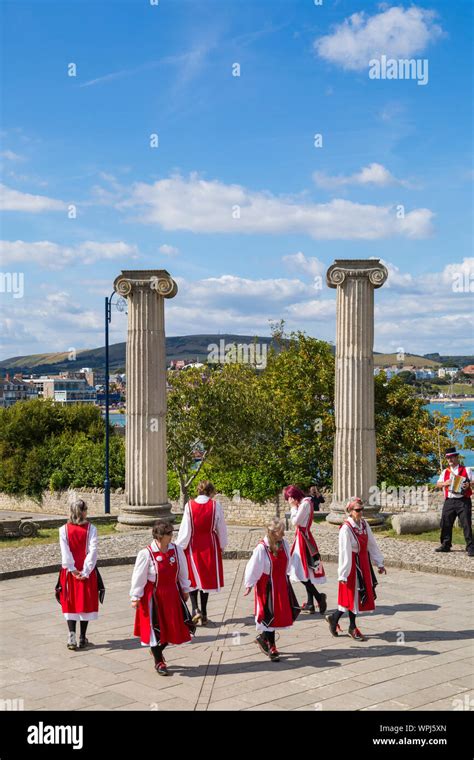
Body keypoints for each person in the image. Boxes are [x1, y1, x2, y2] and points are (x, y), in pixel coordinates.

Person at [130, 520, 194, 676]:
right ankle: (159, 661)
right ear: (159, 536)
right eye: (169, 534)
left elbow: (183, 571)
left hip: (172, 594)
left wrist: (185, 589)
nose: (172, 536)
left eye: (172, 533)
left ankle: (157, 651)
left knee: (174, 627)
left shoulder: (176, 550)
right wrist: (135, 596)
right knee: (156, 630)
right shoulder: (146, 554)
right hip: (154, 597)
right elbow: (138, 577)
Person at [325, 497, 386, 641]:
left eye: (361, 509)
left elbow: (372, 544)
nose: (360, 512)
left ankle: (335, 618)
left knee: (357, 596)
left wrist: (379, 562)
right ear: (350, 511)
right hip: (352, 564)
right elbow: (344, 552)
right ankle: (351, 627)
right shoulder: (346, 528)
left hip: (363, 562)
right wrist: (343, 574)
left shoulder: (364, 524)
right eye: (358, 510)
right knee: (352, 596)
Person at [244, 518, 300, 662]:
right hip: (267, 585)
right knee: (269, 614)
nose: (283, 534)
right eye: (281, 531)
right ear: (273, 532)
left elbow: (288, 561)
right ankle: (272, 646)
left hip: (280, 583)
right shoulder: (262, 548)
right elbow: (253, 567)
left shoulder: (285, 544)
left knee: (279, 614)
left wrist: (288, 577)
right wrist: (249, 584)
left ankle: (263, 638)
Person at [176, 480, 228, 625]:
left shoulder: (189, 506)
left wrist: (180, 546)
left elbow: (185, 529)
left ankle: (195, 609)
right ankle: (204, 613)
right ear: (211, 492)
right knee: (205, 579)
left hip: (193, 544)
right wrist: (222, 545)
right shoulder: (215, 506)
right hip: (210, 543)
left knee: (192, 577)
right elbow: (221, 527)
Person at [57, 499, 103, 651]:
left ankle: (72, 636)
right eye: (86, 509)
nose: (87, 512)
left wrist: (72, 568)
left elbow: (65, 552)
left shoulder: (63, 529)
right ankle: (82, 637)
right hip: (85, 572)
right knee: (85, 602)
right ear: (82, 512)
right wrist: (86, 571)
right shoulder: (92, 529)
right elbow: (93, 551)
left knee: (71, 602)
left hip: (70, 572)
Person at [284, 484, 327, 614]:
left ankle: (319, 597)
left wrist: (292, 508)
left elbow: (295, 521)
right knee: (306, 570)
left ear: (294, 496)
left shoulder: (305, 504)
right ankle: (310, 603)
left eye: (289, 498)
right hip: (303, 538)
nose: (289, 501)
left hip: (303, 540)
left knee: (298, 570)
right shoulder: (305, 502)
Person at [435, 447, 473, 556]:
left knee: (466, 524)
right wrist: (445, 483)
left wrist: (469, 484)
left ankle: (470, 547)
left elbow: (473, 481)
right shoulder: (445, 471)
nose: (450, 459)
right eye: (448, 458)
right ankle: (446, 545)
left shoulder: (466, 470)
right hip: (449, 501)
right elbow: (438, 484)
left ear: (456, 457)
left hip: (463, 500)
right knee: (445, 523)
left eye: (451, 457)